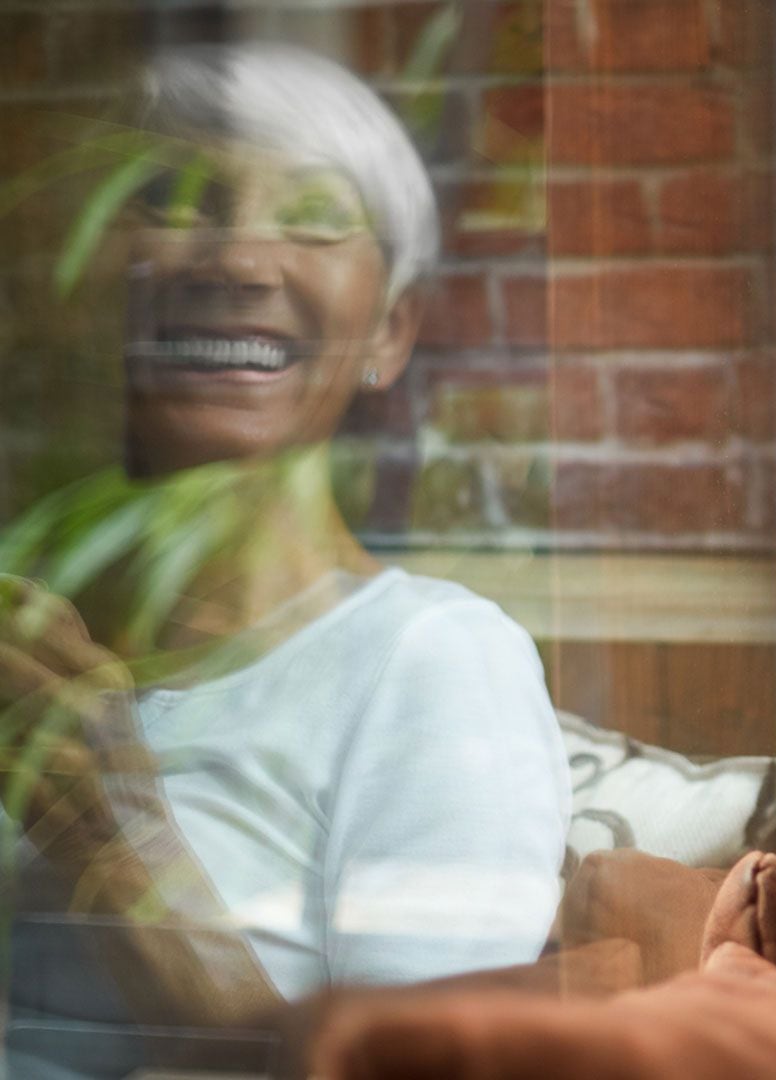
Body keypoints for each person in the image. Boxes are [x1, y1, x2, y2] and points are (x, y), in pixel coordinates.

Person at [0, 43, 568, 1076]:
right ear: (81, 294)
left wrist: (115, 840)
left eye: (312, 217)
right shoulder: (26, 634)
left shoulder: (434, 665)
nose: (238, 260)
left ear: (389, 333)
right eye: (174, 201)